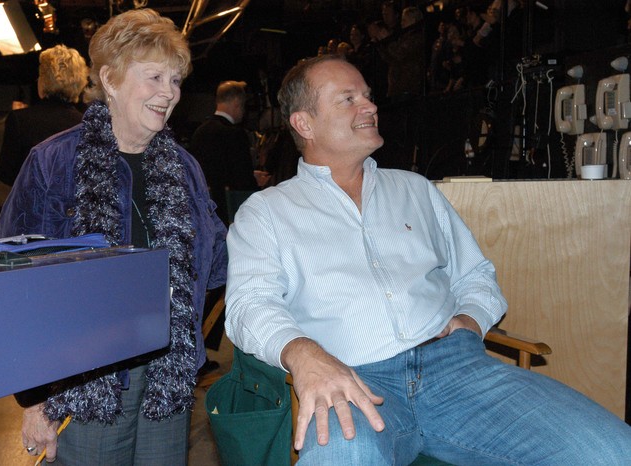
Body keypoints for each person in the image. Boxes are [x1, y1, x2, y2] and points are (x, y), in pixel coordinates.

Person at [224, 54, 631, 465]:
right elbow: (248, 306)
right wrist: (305, 354)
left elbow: (476, 276)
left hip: (459, 373)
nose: (370, 106)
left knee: (614, 451)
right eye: (348, 99)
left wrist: (470, 319)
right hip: (353, 381)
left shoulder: (415, 190)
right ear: (304, 124)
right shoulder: (268, 212)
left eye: (367, 95)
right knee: (346, 456)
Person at [0, 9, 227, 464]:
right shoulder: (53, 162)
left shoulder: (185, 168)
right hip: (84, 376)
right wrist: (36, 398)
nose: (169, 93)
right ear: (112, 79)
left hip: (167, 372)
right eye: (155, 77)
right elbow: (12, 282)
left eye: (176, 80)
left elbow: (215, 264)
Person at [0, 44, 88, 186]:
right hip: (73, 207)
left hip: (32, 205)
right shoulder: (88, 126)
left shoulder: (20, 120)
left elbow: (5, 173)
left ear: (44, 81)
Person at [189, 80, 264, 225]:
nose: (243, 112)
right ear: (237, 102)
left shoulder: (199, 132)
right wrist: (255, 180)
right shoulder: (234, 134)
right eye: (243, 106)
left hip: (205, 210)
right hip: (229, 211)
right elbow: (242, 181)